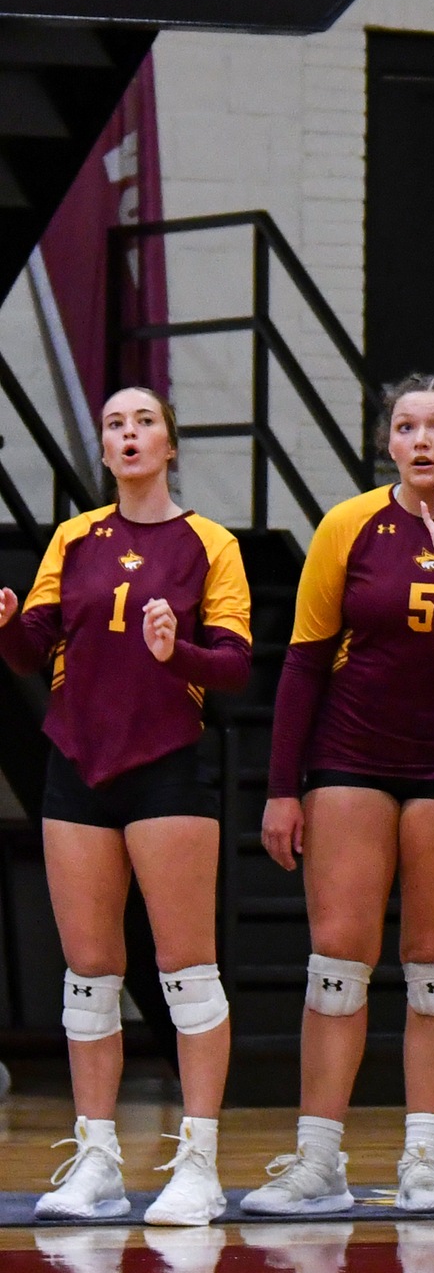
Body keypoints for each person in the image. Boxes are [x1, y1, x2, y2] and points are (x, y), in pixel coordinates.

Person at [0, 387, 251, 1226]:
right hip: (78, 764)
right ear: (104, 449)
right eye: (114, 424)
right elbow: (32, 646)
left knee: (187, 971)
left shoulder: (208, 543)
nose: (129, 433)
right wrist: (5, 626)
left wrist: (171, 649)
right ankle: (97, 1157)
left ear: (169, 443)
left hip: (166, 767)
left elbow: (234, 666)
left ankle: (200, 1162)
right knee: (90, 973)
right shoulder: (73, 538)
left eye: (144, 421)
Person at [244, 376, 434, 1216]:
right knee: (338, 961)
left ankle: (423, 1160)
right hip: (350, 757)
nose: (422, 440)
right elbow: (305, 660)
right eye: (406, 426)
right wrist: (284, 787)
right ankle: (318, 1161)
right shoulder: (350, 524)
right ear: (389, 441)